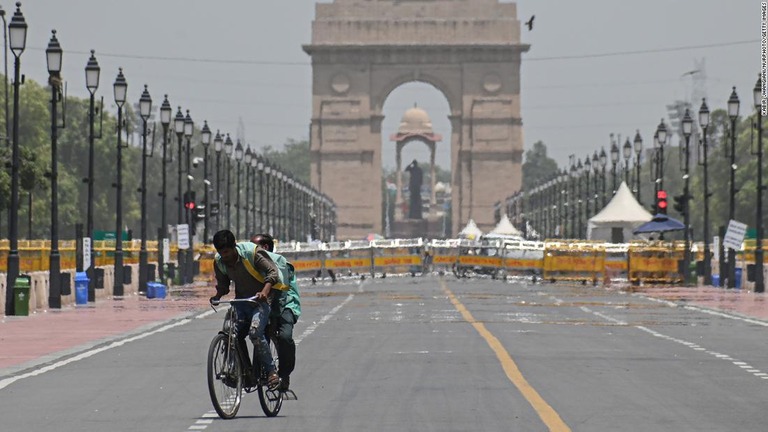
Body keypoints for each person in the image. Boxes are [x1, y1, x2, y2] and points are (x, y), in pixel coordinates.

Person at [210, 229, 282, 389]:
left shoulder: (252, 253)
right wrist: (217, 296)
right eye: (221, 253)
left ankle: (272, 372)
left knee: (255, 332)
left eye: (227, 252)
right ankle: (243, 372)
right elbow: (223, 285)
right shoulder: (219, 262)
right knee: (230, 332)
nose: (225, 257)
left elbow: (273, 272)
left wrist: (264, 292)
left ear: (234, 246)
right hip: (242, 302)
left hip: (260, 302)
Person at [251, 233, 301, 392]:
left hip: (286, 303)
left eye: (254, 246)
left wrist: (273, 320)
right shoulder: (254, 263)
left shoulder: (280, 263)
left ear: (264, 248)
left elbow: (281, 295)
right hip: (266, 303)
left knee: (284, 336)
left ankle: (284, 374)